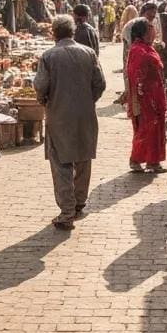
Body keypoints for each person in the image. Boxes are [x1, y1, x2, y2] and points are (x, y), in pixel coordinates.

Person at [34, 15, 106, 230]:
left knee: (61, 164)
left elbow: (40, 86)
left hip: (59, 115)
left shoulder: (48, 56)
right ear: (72, 31)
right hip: (85, 114)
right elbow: (100, 83)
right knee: (83, 158)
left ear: (54, 33)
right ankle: (79, 202)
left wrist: (46, 101)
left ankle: (67, 212)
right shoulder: (88, 53)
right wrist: (87, 99)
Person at [126, 19, 167, 174]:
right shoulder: (138, 50)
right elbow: (136, 75)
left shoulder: (146, 48)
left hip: (154, 96)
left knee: (156, 129)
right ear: (142, 33)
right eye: (150, 30)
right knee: (145, 130)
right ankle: (136, 160)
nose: (153, 32)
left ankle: (153, 161)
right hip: (145, 98)